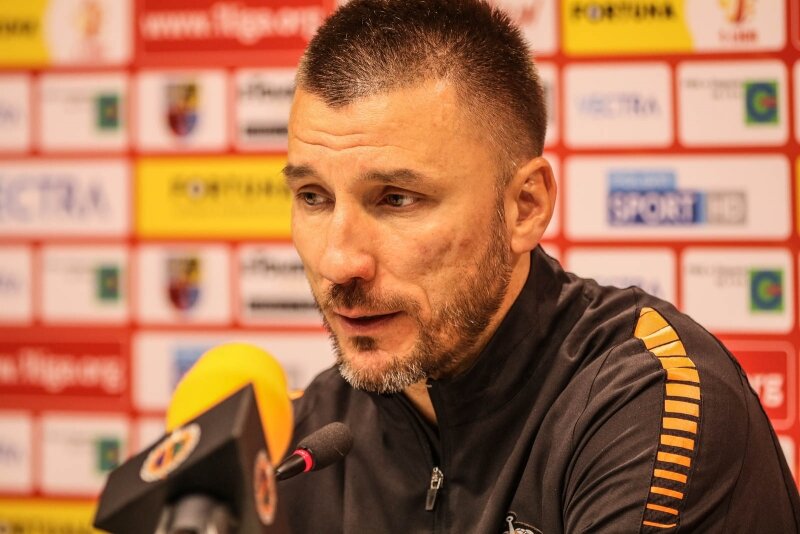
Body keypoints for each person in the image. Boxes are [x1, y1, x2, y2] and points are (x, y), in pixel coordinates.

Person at [277, 0, 800, 531]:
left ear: (525, 207)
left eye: (397, 199)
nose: (338, 262)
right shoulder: (305, 437)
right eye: (313, 196)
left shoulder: (645, 398)